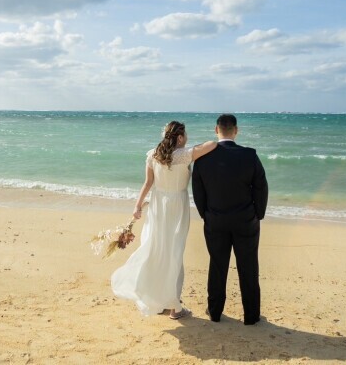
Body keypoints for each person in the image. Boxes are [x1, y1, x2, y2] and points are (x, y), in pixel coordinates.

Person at [111, 121, 217, 320]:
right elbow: (212, 144)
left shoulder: (153, 154)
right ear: (179, 137)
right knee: (174, 252)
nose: (187, 138)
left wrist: (137, 206)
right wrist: (193, 146)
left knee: (156, 249)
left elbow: (148, 183)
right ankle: (175, 308)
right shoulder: (184, 154)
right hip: (177, 205)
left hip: (158, 205)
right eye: (185, 135)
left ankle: (156, 302)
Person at [192, 114, 268, 325]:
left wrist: (206, 214)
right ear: (236, 130)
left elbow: (198, 191)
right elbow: (261, 187)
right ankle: (251, 317)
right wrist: (258, 214)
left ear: (216, 130)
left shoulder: (202, 158)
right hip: (245, 220)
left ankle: (215, 312)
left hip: (215, 220)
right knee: (249, 266)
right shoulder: (249, 155)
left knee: (217, 265)